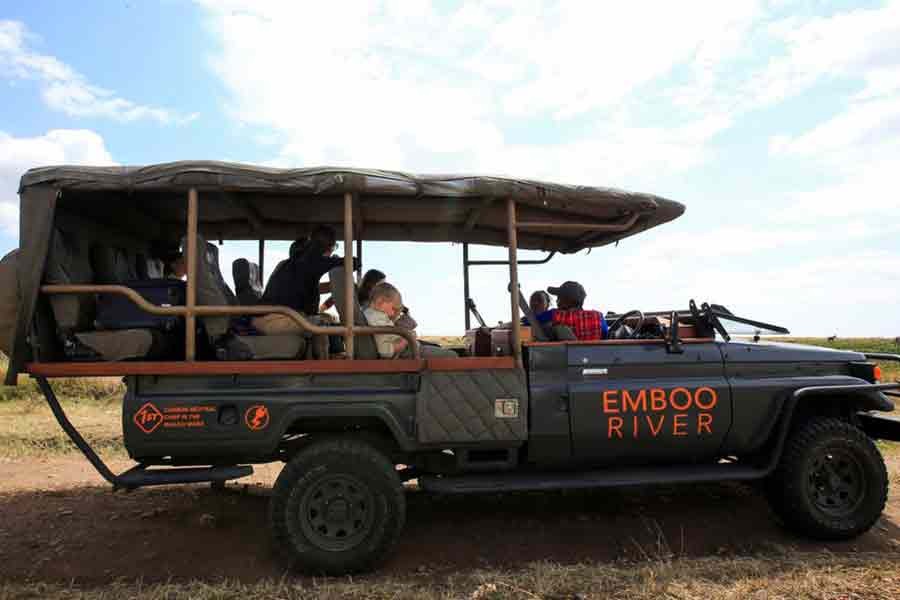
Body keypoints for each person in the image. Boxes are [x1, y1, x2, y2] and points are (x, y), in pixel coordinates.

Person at [252, 226, 349, 335]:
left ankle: (319, 351)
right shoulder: (309, 262)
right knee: (322, 322)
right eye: (333, 247)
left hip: (269, 317)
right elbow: (346, 262)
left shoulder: (288, 266)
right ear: (329, 247)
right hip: (276, 320)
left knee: (326, 318)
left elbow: (304, 289)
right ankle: (323, 352)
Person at [363, 282, 409, 358]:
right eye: (393, 308)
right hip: (404, 353)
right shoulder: (377, 319)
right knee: (435, 353)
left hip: (404, 351)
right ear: (380, 301)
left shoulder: (370, 314)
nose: (393, 313)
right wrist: (405, 341)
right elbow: (385, 351)